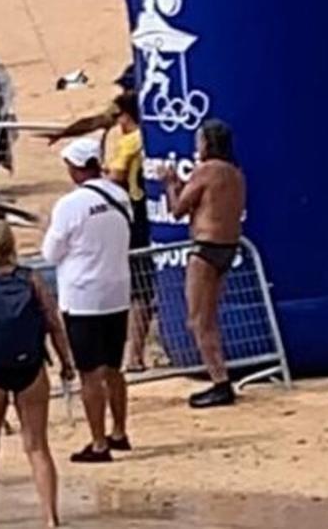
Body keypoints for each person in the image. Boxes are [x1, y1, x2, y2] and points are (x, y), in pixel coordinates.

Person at [0, 221, 71, 527]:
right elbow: (53, 323)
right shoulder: (32, 279)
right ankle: (50, 517)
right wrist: (66, 363)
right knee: (37, 446)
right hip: (31, 367)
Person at [42, 137, 133, 462]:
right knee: (113, 368)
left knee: (90, 373)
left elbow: (50, 253)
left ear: (77, 168)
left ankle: (98, 442)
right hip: (118, 290)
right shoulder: (119, 195)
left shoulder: (70, 205)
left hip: (84, 296)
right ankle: (119, 430)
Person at [162, 119, 247, 408]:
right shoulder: (236, 174)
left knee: (199, 321)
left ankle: (220, 382)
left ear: (207, 143)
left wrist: (171, 184)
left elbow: (177, 210)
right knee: (208, 319)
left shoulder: (206, 171)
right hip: (227, 246)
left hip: (205, 248)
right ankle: (220, 376)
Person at [104, 92, 153, 372]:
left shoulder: (129, 142)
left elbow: (116, 178)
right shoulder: (149, 136)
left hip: (134, 220)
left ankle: (134, 356)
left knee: (139, 289)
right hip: (148, 215)